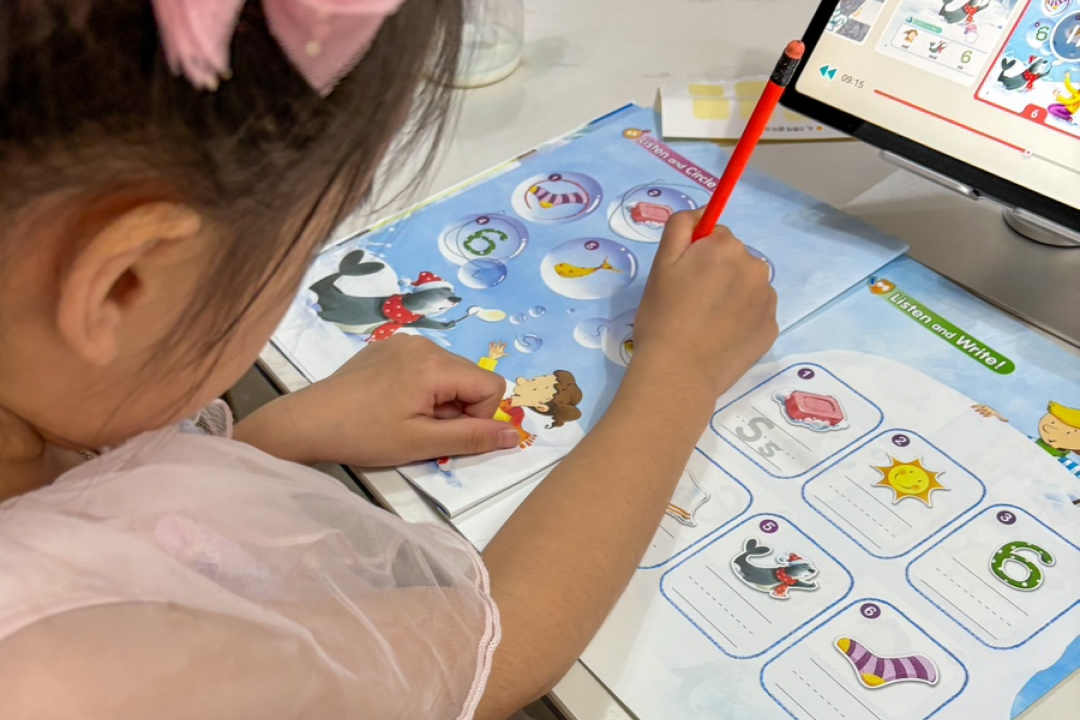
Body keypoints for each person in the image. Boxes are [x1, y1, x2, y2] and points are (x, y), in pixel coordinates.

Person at [0, 2, 777, 718]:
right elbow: (496, 645)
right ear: (125, 281)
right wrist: (681, 371)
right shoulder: (58, 666)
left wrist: (277, 437)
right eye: (306, 241)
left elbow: (115, 526)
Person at [478, 341, 583, 448]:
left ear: (541, 407)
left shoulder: (515, 414)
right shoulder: (500, 397)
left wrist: (522, 437)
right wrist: (491, 359)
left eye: (534, 388)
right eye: (533, 380)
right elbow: (478, 382)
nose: (520, 380)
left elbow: (511, 430)